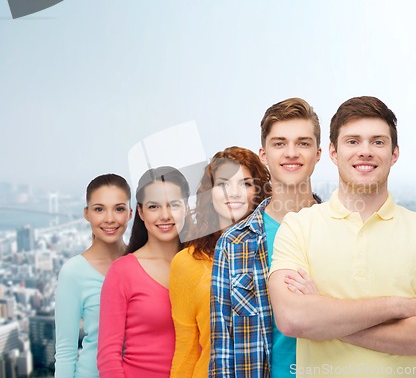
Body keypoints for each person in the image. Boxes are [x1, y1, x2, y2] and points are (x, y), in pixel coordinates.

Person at [268, 96, 416, 377]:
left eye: (378, 142)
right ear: (333, 152)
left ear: (394, 153)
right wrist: (396, 306)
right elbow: (293, 319)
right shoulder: (297, 227)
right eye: (353, 141)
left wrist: (326, 320)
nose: (365, 151)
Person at [209, 98, 323, 377]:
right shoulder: (234, 244)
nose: (291, 153)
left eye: (303, 143)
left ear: (319, 153)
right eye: (279, 143)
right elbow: (222, 349)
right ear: (263, 154)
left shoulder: (345, 232)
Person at [169, 146, 270, 378]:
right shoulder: (187, 262)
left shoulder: (275, 248)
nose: (233, 193)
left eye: (245, 184)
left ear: (258, 192)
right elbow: (186, 348)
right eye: (223, 184)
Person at [97, 166, 191, 378]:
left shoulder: (202, 264)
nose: (165, 215)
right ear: (140, 212)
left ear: (186, 207)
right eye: (154, 206)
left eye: (174, 205)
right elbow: (108, 356)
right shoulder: (122, 272)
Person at [54, 173, 132, 378]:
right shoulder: (73, 273)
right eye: (99, 209)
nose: (109, 219)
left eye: (119, 209)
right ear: (86, 213)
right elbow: (65, 351)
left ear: (131, 213)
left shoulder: (141, 262)